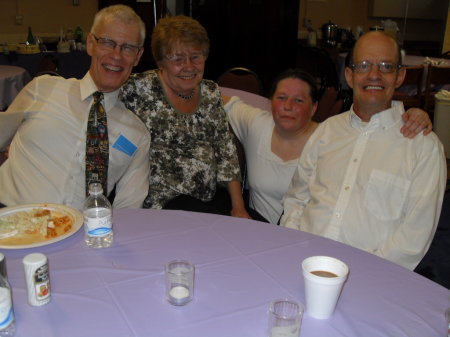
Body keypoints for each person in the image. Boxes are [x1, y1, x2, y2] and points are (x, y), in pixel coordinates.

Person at [280, 32, 447, 270]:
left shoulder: (423, 147)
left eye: (386, 66)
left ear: (399, 76)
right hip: (300, 261)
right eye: (364, 65)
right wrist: (294, 245)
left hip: (370, 279)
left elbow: (414, 237)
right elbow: (297, 197)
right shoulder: (327, 131)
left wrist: (363, 274)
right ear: (349, 75)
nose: (374, 75)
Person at [223, 69, 433, 225]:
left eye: (298, 100)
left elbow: (377, 138)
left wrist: (413, 116)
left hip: (309, 238)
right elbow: (210, 95)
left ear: (314, 107)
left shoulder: (331, 138)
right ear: (270, 102)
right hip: (258, 232)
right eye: (281, 98)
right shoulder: (256, 124)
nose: (287, 106)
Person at [0, 5, 150, 210]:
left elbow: (129, 211)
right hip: (10, 220)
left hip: (78, 234)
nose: (117, 55)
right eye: (107, 42)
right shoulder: (42, 90)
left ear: (138, 56)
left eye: (128, 47)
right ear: (90, 44)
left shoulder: (137, 135)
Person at [120, 15, 249, 218]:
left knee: (261, 227)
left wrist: (238, 207)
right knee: (226, 235)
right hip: (165, 204)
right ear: (161, 61)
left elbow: (226, 150)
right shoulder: (137, 88)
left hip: (211, 197)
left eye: (196, 56)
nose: (189, 66)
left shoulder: (210, 92)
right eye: (178, 59)